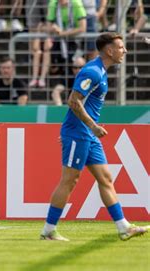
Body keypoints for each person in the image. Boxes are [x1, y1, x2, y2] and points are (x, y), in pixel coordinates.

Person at [41, 33, 148, 241]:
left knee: (106, 178)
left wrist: (91, 129)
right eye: (121, 47)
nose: (124, 51)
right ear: (109, 50)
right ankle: (48, 230)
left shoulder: (101, 70)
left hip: (87, 135)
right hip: (79, 133)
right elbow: (73, 101)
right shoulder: (92, 71)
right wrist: (93, 126)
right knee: (69, 180)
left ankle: (123, 227)